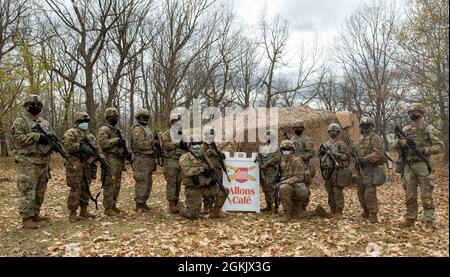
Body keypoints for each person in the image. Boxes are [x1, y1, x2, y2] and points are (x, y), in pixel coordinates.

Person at [396, 103, 444, 228]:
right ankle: (410, 218)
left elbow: (439, 147)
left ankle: (429, 220)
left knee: (426, 194)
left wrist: (423, 150)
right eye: (411, 113)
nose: (413, 115)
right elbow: (399, 149)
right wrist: (401, 144)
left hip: (423, 165)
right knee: (409, 194)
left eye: (416, 112)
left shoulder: (428, 128)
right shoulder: (406, 130)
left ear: (422, 113)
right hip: (409, 166)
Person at [11, 94, 53, 229]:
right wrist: (35, 137)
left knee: (40, 190)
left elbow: (50, 137)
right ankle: (27, 218)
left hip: (43, 161)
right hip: (27, 161)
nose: (35, 107)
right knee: (28, 189)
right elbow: (17, 139)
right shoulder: (20, 121)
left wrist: (51, 142)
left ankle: (35, 213)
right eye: (32, 104)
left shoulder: (44, 123)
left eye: (38, 105)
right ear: (25, 105)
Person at [278, 140, 331, 223]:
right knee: (297, 215)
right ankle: (316, 212)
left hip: (300, 192)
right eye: (284, 149)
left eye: (288, 149)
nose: (286, 151)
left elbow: (299, 178)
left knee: (283, 188)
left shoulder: (296, 161)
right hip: (294, 190)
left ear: (292, 150)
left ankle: (287, 214)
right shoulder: (283, 162)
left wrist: (285, 181)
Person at [62, 112, 100, 222]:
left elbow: (95, 149)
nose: (84, 123)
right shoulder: (71, 133)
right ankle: (73, 212)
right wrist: (81, 146)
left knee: (86, 187)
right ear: (77, 122)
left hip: (87, 163)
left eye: (86, 122)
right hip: (75, 163)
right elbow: (68, 146)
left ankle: (84, 210)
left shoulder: (90, 135)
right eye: (82, 121)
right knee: (76, 187)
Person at [179, 139, 229, 220]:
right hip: (194, 188)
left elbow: (211, 168)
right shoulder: (184, 157)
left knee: (224, 191)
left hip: (206, 186)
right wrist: (202, 169)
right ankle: (182, 208)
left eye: (199, 144)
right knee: (193, 216)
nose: (197, 146)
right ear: (189, 145)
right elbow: (187, 172)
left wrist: (212, 175)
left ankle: (214, 213)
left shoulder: (204, 157)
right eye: (194, 144)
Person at [98, 107, 131, 216]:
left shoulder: (118, 130)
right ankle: (107, 207)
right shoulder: (104, 129)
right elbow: (103, 144)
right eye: (112, 117)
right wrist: (116, 140)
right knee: (109, 183)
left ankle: (113, 205)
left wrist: (127, 154)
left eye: (116, 117)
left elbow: (123, 146)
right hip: (109, 159)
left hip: (119, 159)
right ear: (107, 118)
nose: (115, 119)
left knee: (117, 184)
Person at [356, 117, 385, 223]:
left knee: (369, 194)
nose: (365, 127)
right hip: (361, 170)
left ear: (372, 126)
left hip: (371, 169)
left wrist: (365, 159)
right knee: (360, 193)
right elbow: (358, 153)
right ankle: (366, 211)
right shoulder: (360, 139)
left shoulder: (375, 138)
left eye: (367, 125)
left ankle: (373, 214)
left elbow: (378, 153)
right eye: (363, 126)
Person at [130, 109, 159, 213]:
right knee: (142, 181)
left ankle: (143, 202)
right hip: (141, 158)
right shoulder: (137, 129)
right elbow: (140, 144)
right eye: (144, 117)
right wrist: (153, 142)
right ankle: (139, 204)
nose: (146, 119)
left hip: (148, 158)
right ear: (139, 117)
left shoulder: (146, 128)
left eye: (147, 117)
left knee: (148, 182)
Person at [319, 123, 350, 219]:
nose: (333, 133)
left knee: (337, 191)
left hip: (337, 170)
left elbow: (346, 157)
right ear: (328, 132)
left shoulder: (341, 144)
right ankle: (332, 209)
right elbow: (321, 156)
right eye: (331, 131)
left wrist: (335, 154)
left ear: (338, 132)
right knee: (329, 191)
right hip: (327, 171)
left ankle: (339, 211)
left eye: (335, 131)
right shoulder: (326, 144)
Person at [160, 112, 187, 213]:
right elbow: (166, 145)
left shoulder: (182, 134)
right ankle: (171, 204)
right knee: (172, 183)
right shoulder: (167, 133)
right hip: (171, 160)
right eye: (176, 121)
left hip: (180, 161)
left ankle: (175, 202)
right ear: (172, 122)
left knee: (178, 182)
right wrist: (177, 144)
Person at [258, 130, 281, 212]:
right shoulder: (264, 147)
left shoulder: (276, 147)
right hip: (263, 171)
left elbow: (277, 158)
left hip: (272, 171)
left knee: (272, 189)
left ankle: (275, 207)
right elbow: (260, 157)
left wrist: (267, 164)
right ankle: (269, 206)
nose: (268, 139)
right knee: (265, 189)